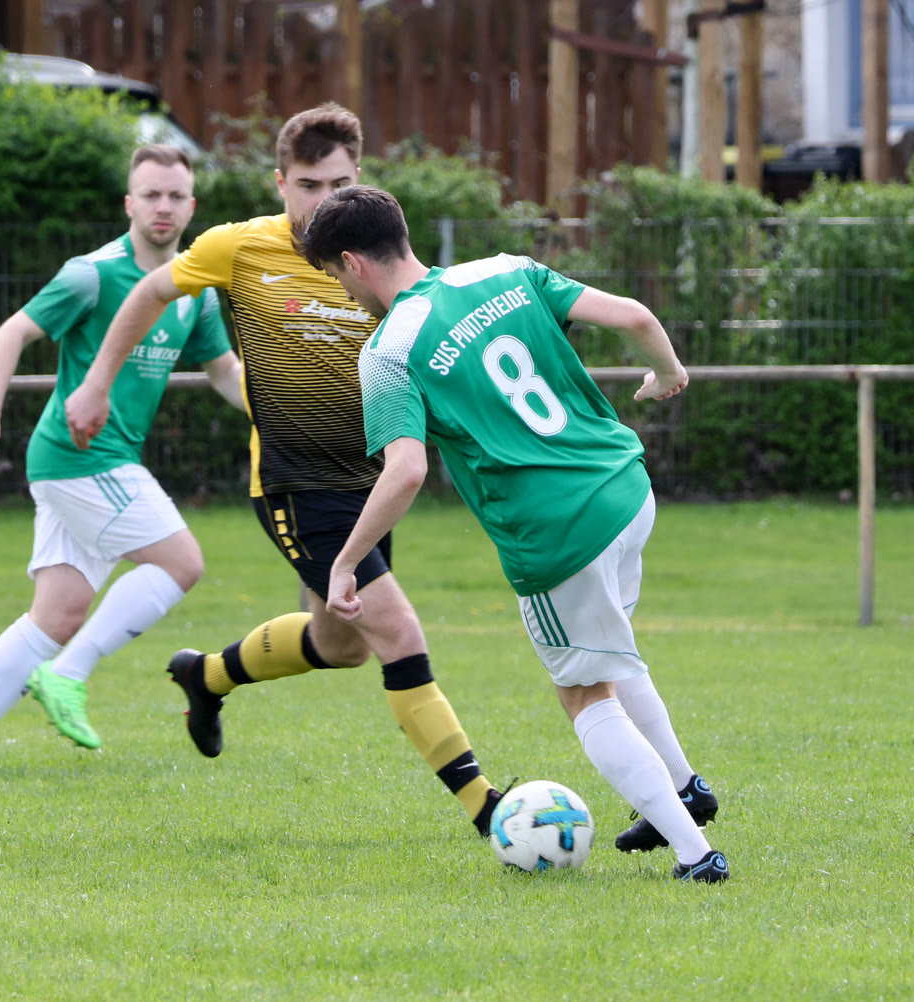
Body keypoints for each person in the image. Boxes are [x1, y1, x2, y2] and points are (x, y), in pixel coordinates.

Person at [64, 104, 502, 837]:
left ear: (359, 179)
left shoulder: (375, 258)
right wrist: (97, 382)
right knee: (397, 631)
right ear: (279, 183)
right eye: (307, 185)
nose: (323, 201)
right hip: (297, 486)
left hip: (371, 486)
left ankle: (205, 675)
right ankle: (489, 810)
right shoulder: (239, 248)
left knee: (341, 645)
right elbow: (150, 292)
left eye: (339, 185)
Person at [298, 185, 727, 881]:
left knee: (583, 693)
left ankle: (695, 853)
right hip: (624, 488)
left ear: (352, 262)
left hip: (557, 532)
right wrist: (669, 372)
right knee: (610, 656)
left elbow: (405, 471)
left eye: (335, 277)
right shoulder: (502, 270)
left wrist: (346, 562)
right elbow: (637, 316)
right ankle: (683, 789)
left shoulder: (387, 352)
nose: (344, 293)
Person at [0, 144, 246, 770]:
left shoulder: (195, 292)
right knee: (182, 562)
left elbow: (225, 372)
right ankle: (68, 674)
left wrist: (284, 409)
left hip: (88, 464)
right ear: (129, 203)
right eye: (151, 195)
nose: (164, 206)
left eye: (176, 196)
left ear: (192, 206)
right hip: (81, 456)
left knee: (57, 615)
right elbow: (12, 332)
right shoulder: (92, 275)